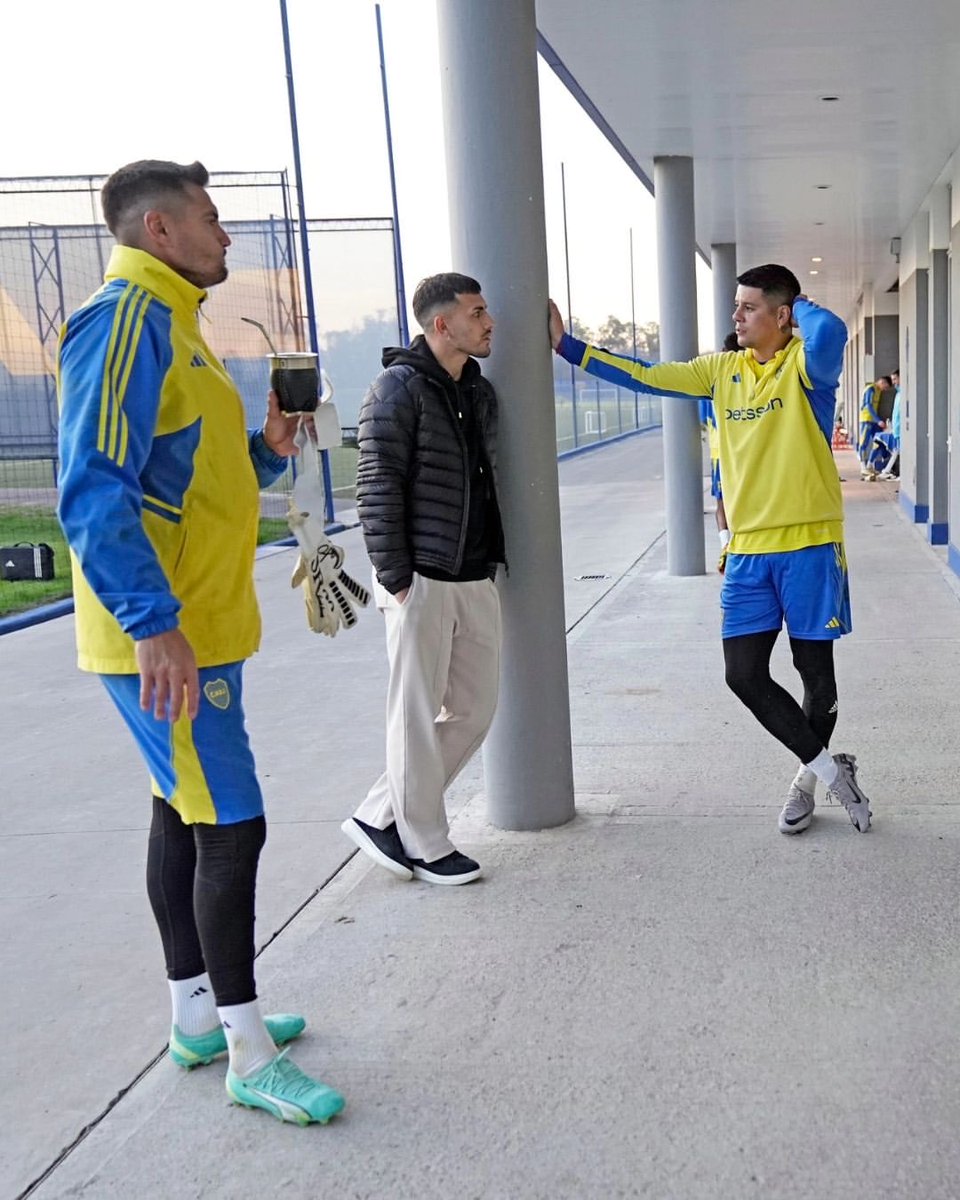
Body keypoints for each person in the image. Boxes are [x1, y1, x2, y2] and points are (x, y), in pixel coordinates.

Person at [57, 159, 344, 1126]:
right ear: (158, 229)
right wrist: (154, 625)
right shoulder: (127, 318)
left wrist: (267, 448)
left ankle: (193, 1016)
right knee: (233, 822)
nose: (226, 239)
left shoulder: (179, 326)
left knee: (182, 813)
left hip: (198, 626)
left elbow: (184, 474)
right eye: (212, 221)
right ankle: (248, 1051)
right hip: (167, 633)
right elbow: (93, 485)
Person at [548, 263, 872, 835]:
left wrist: (805, 307)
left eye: (749, 307)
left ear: (781, 315)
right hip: (747, 552)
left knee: (813, 672)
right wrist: (568, 347)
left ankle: (804, 785)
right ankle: (830, 768)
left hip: (811, 546)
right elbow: (647, 373)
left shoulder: (806, 368)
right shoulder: (721, 371)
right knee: (742, 673)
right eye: (736, 306)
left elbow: (830, 336)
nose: (736, 316)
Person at [341, 272, 505, 884]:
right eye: (478, 312)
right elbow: (376, 482)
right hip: (421, 577)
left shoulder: (476, 389)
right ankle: (428, 844)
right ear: (442, 324)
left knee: (475, 708)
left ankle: (379, 814)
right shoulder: (397, 388)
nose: (490, 322)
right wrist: (395, 574)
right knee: (415, 713)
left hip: (474, 574)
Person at [858, 375, 891, 480]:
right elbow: (868, 405)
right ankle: (863, 466)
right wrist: (878, 420)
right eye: (885, 387)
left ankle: (870, 465)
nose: (885, 390)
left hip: (874, 421)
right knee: (864, 442)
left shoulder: (878, 391)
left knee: (878, 442)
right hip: (867, 420)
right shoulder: (871, 389)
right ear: (882, 382)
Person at [877, 368, 901, 480]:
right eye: (892, 380)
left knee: (898, 451)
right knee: (897, 451)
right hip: (897, 429)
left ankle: (891, 471)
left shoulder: (903, 393)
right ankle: (891, 471)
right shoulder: (898, 394)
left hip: (901, 430)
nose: (894, 382)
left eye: (895, 379)